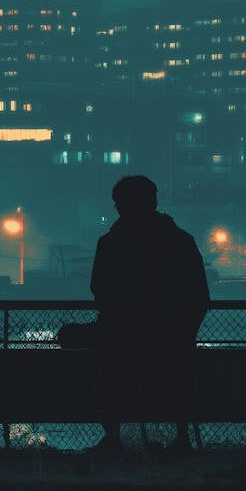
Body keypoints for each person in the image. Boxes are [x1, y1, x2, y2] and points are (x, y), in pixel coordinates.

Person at [58, 175, 210, 453]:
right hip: (171, 338)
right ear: (153, 201)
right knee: (175, 377)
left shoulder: (112, 243)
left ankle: (113, 435)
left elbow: (99, 289)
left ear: (121, 206)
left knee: (80, 346)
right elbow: (199, 294)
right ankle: (180, 437)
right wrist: (184, 330)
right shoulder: (180, 241)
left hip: (121, 338)